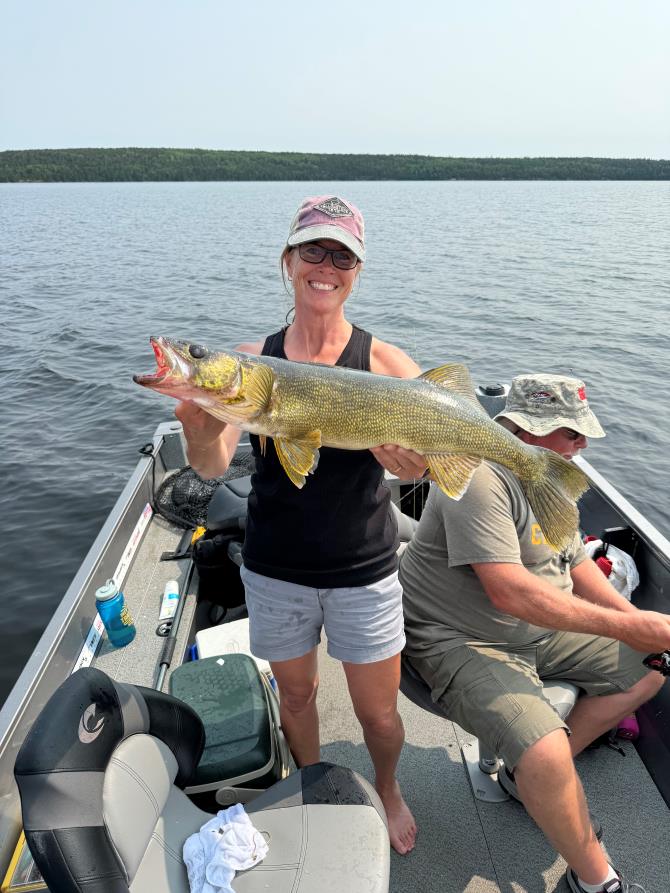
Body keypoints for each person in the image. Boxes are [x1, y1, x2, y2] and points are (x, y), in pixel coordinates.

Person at [176, 195, 426, 854]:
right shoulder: (250, 364)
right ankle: (313, 782)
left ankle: (389, 786)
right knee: (296, 692)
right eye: (313, 249)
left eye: (341, 255)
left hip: (363, 569)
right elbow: (209, 465)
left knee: (378, 711)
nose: (326, 265)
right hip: (275, 567)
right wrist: (199, 424)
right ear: (288, 260)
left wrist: (417, 463)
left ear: (356, 272)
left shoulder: (388, 365)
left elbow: (429, 465)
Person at [400, 374, 670, 892]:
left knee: (651, 668)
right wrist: (631, 622)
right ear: (527, 430)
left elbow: (576, 562)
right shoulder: (479, 474)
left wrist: (641, 633)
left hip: (539, 631)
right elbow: (510, 592)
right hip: (460, 639)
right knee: (544, 748)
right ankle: (595, 881)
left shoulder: (551, 475)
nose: (582, 445)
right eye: (572, 434)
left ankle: (528, 782)